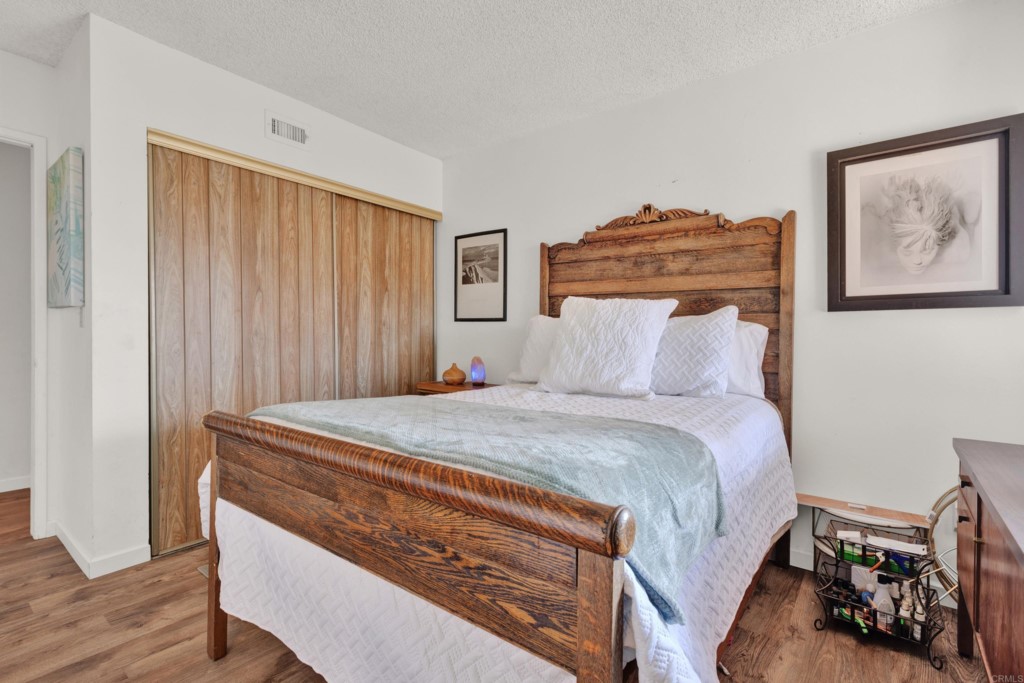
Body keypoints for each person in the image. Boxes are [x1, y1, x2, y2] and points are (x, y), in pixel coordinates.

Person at [880, 175, 975, 275]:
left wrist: (969, 225)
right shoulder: (881, 254)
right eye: (907, 252)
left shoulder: (958, 250)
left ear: (939, 243)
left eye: (927, 251)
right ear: (895, 245)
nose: (917, 261)